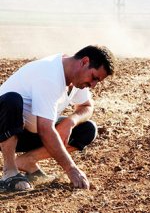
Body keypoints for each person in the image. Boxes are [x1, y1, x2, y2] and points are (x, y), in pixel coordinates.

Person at [0, 45, 115, 191]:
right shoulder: (49, 74)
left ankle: (28, 160)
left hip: (28, 132)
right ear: (84, 62)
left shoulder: (77, 79)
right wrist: (71, 169)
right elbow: (45, 129)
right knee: (12, 100)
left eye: (97, 81)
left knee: (87, 129)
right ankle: (10, 171)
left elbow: (87, 106)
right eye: (93, 77)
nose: (92, 85)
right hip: (4, 129)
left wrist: (70, 121)